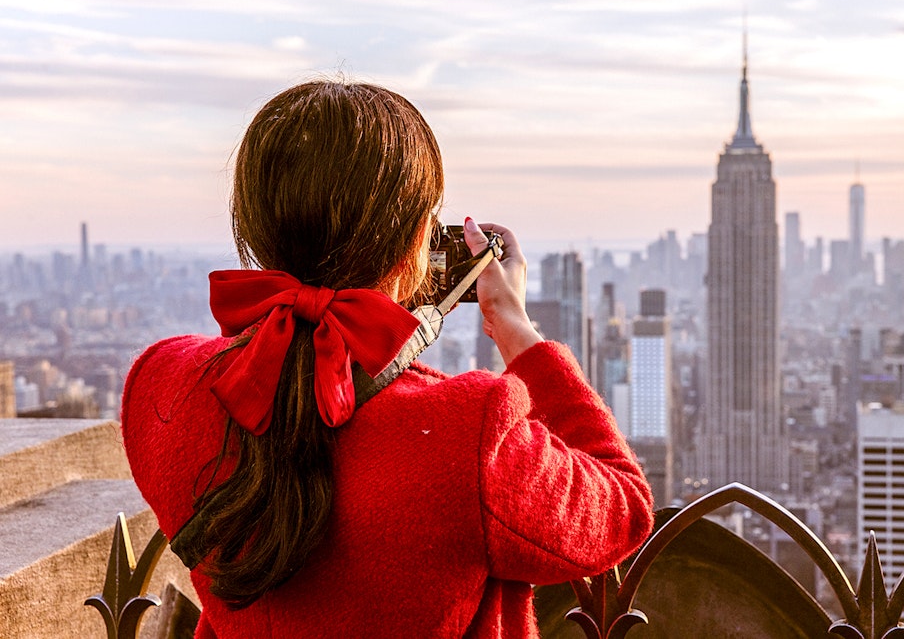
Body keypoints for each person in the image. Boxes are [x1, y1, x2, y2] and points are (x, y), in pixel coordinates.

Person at [121, 80, 654, 638]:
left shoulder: (161, 387)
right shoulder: (468, 434)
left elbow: (274, 377)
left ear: (253, 227)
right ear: (419, 242)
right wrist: (516, 327)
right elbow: (623, 508)